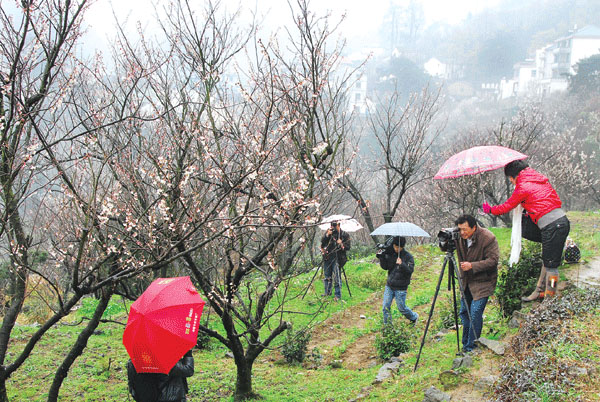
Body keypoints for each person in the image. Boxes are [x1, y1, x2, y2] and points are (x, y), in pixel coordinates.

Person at [482, 160, 570, 300]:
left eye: (510, 179)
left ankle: (550, 297)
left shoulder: (522, 186)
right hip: (561, 222)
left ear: (513, 177)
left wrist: (490, 210)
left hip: (552, 226)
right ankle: (539, 291)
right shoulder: (539, 179)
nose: (511, 182)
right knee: (548, 260)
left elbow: (506, 207)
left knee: (552, 266)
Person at [455, 214, 499, 354]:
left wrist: (472, 266)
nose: (462, 233)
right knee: (464, 312)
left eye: (465, 229)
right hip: (467, 281)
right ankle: (465, 344)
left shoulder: (488, 238)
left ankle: (472, 346)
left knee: (475, 312)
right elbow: (446, 248)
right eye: (460, 229)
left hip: (483, 282)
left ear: (474, 227)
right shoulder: (460, 237)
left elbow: (493, 260)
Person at [376, 236, 418, 325]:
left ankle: (414, 317)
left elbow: (410, 271)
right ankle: (388, 327)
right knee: (385, 307)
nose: (396, 249)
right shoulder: (392, 254)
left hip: (401, 287)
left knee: (402, 308)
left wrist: (402, 264)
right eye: (395, 246)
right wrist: (382, 258)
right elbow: (386, 267)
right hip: (390, 285)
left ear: (402, 247)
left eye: (398, 247)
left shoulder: (408, 256)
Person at [127, 349, 194, 402]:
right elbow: (188, 370)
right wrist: (188, 354)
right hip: (170, 398)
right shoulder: (163, 356)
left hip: (147, 397)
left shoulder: (135, 358)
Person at [320, 221, 351, 301]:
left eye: (334, 225)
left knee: (337, 276)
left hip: (338, 258)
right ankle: (327, 292)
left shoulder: (344, 234)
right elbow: (322, 243)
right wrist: (327, 235)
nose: (332, 227)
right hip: (327, 257)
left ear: (339, 225)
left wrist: (341, 244)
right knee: (327, 276)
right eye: (331, 225)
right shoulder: (329, 233)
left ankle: (338, 295)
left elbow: (348, 247)